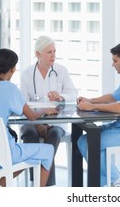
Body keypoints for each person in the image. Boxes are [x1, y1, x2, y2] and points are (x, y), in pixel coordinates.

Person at [0, 48, 55, 187]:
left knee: (27, 155)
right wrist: (46, 109)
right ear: (13, 69)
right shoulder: (11, 89)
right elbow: (32, 117)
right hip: (1, 157)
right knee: (47, 150)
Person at [77, 41, 120, 187]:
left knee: (90, 143)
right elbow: (113, 96)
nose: (112, 64)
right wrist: (90, 100)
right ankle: (115, 182)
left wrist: (92, 107)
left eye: (115, 61)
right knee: (83, 141)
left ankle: (117, 182)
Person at [20, 35, 77, 186]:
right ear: (38, 54)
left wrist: (61, 96)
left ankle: (43, 186)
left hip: (56, 122)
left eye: (54, 51)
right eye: (49, 52)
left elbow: (73, 94)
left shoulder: (61, 71)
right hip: (32, 121)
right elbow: (23, 103)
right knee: (29, 133)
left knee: (53, 134)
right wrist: (38, 124)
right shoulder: (26, 74)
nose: (53, 55)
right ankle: (37, 182)